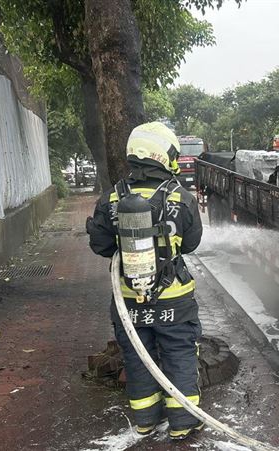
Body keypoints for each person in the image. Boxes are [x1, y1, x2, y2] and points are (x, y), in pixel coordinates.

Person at [86, 122, 204, 440]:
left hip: (128, 299)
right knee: (179, 353)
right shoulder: (181, 197)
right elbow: (191, 244)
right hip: (174, 300)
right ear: (164, 155)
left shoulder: (112, 197)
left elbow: (100, 245)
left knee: (138, 357)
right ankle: (183, 423)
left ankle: (144, 421)